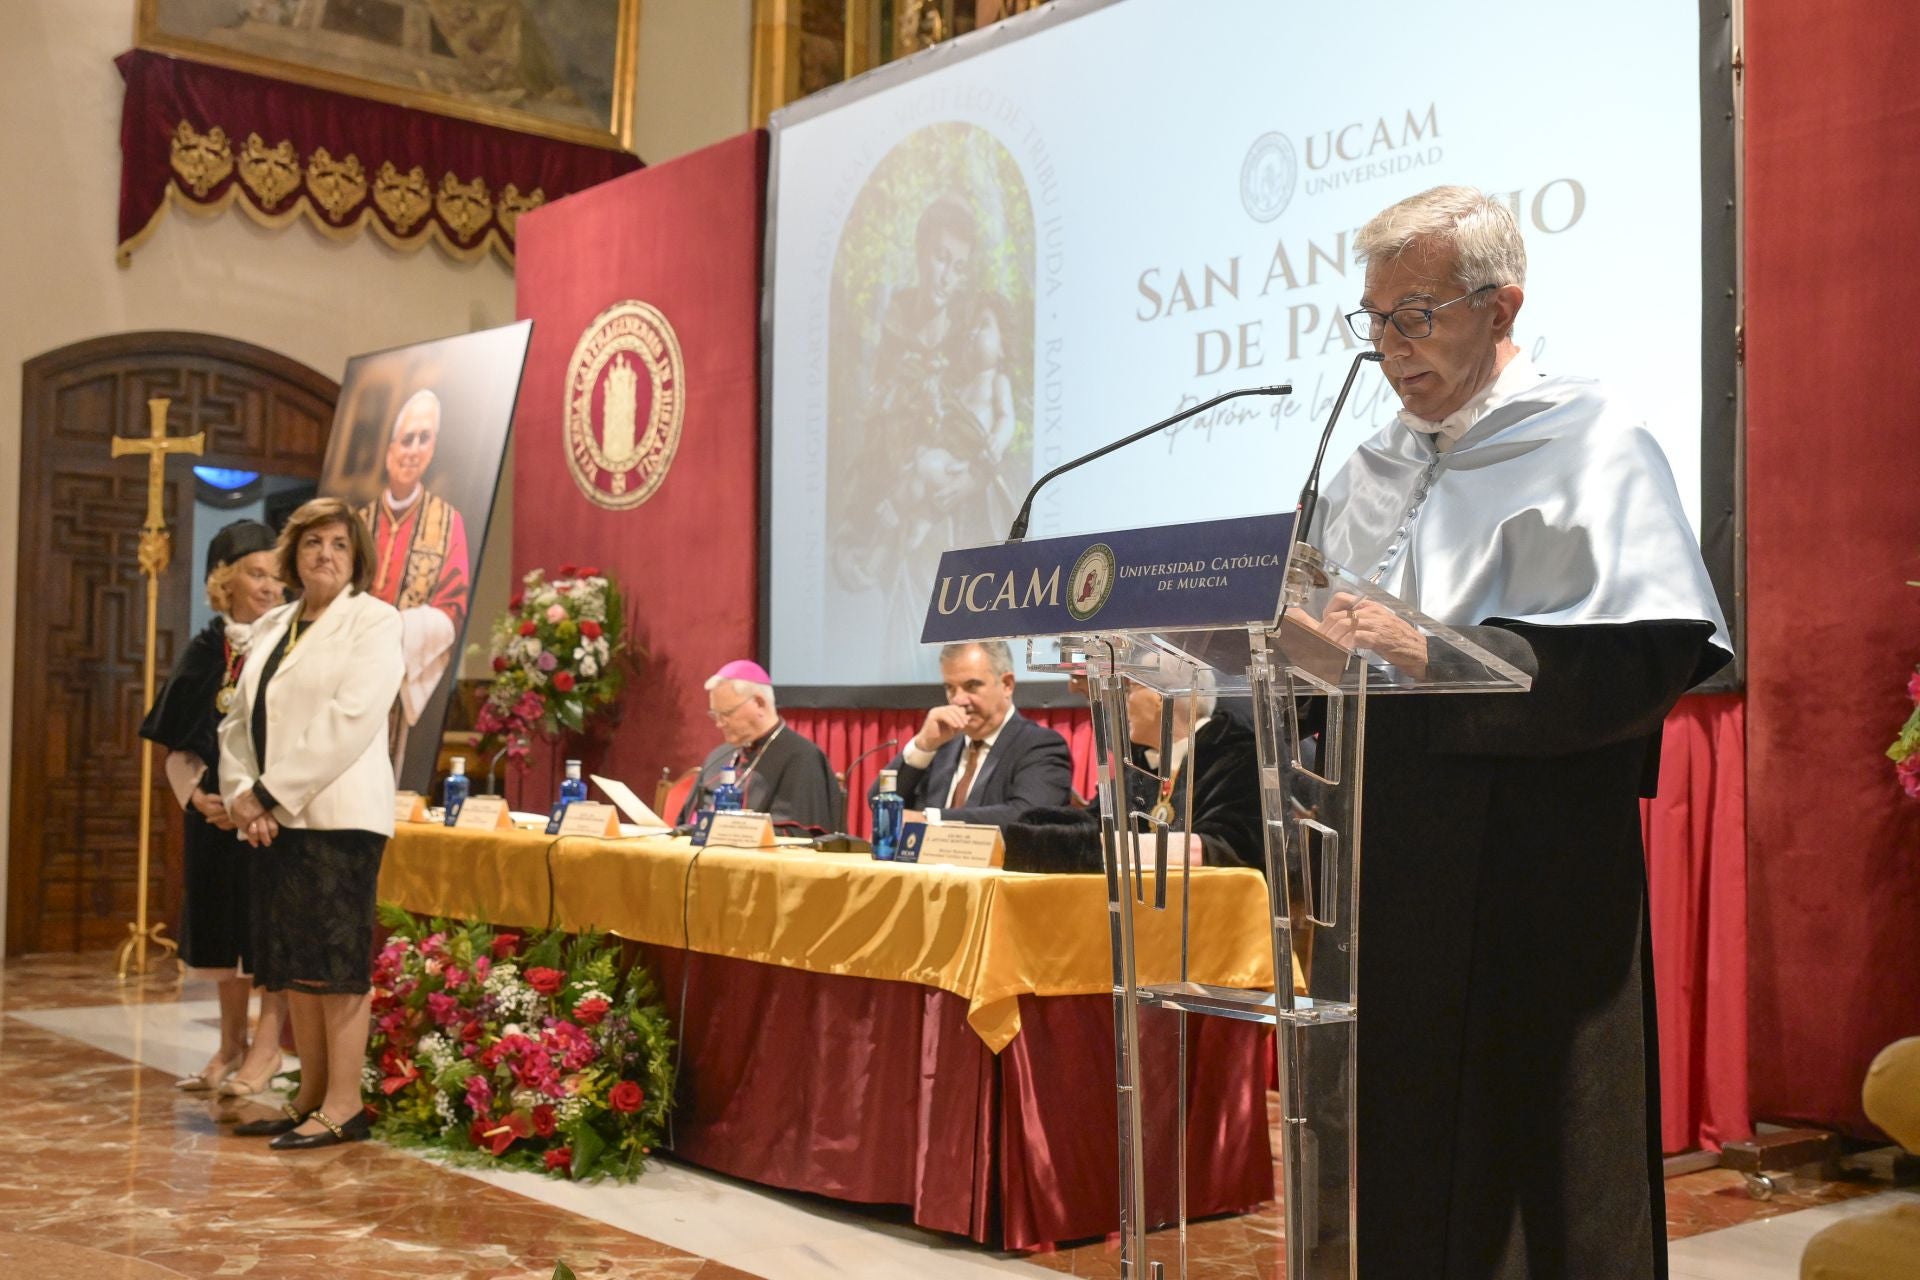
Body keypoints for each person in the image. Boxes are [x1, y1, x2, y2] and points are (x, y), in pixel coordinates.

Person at [1310, 185, 1731, 1278]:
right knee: (1403, 1161)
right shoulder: (1366, 470)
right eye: (1375, 319)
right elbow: (1318, 667)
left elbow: (1642, 661)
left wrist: (1435, 651)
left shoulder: (1594, 440)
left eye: (1416, 315)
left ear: (1501, 308)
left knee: (1546, 1174)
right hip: (1388, 865)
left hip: (1536, 869)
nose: (1390, 345)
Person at [218, 497, 405, 1150]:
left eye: (339, 545)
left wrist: (269, 795)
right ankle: (309, 1098)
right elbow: (237, 720)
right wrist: (241, 795)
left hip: (338, 817)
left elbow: (349, 720)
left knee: (336, 965)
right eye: (313, 542)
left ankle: (345, 1105)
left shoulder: (374, 621)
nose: (325, 554)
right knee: (294, 964)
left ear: (357, 559)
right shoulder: (273, 625)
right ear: (293, 553)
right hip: (275, 819)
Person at [138, 519, 290, 1096]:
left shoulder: (291, 645)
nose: (269, 586)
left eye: (276, 576)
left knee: (267, 932)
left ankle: (267, 1050)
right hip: (213, 818)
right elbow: (175, 742)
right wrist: (198, 794)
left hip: (272, 815)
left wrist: (256, 798)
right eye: (256, 574)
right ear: (226, 582)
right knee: (225, 934)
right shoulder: (206, 650)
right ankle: (230, 1047)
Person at [355, 388, 470, 772]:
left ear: (433, 449)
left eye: (424, 439)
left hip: (410, 674)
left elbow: (452, 607)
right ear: (390, 450)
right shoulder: (357, 524)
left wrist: (396, 631)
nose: (414, 450)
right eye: (407, 439)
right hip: (353, 673)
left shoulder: (449, 522)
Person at [879, 640, 1073, 827]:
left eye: (971, 686)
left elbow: (1027, 817)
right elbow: (881, 804)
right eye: (950, 688)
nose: (958, 700)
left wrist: (929, 819)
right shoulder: (941, 744)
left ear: (1007, 684)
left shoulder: (1040, 746)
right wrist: (923, 745)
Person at [676, 659, 840, 830]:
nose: (719, 723)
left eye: (726, 714)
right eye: (715, 715)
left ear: (759, 703)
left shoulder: (803, 758)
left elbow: (800, 836)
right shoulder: (718, 757)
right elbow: (686, 824)